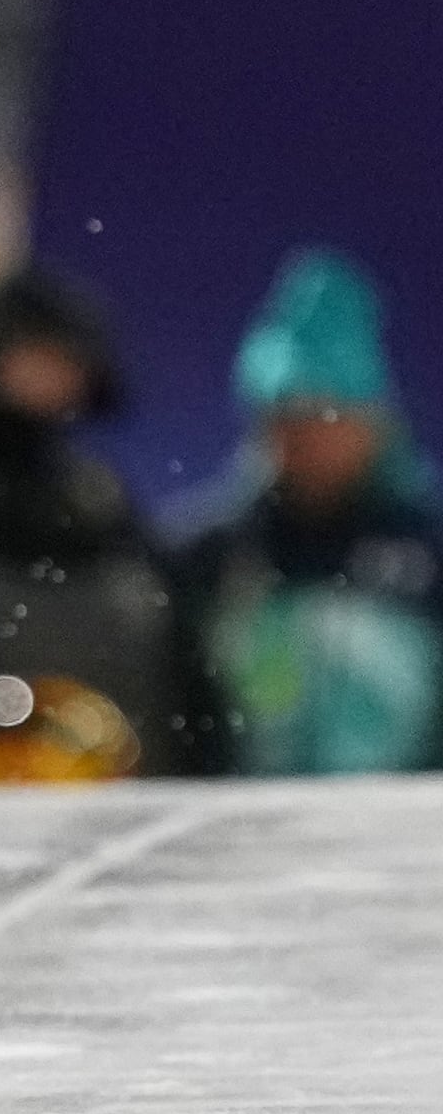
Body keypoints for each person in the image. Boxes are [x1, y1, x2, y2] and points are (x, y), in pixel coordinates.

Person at [0, 271, 219, 783]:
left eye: (61, 359)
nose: (45, 374)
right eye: (29, 353)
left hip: (115, 778)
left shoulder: (99, 496)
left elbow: (172, 647)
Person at [174, 251, 442, 776]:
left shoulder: (430, 547)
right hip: (242, 823)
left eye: (329, 418)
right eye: (288, 420)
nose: (309, 440)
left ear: (375, 426)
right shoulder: (212, 554)